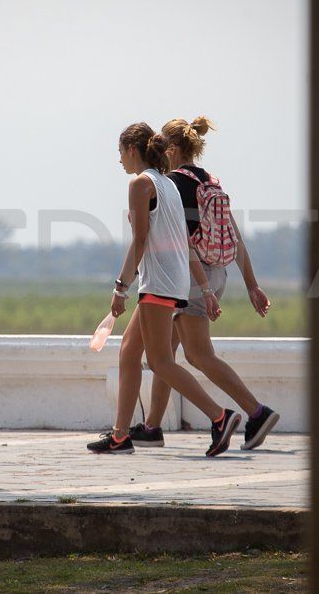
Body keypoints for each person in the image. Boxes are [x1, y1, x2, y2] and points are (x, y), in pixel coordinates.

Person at [87, 123, 242, 456]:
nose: (119, 161)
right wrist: (204, 287)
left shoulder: (141, 184)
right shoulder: (167, 183)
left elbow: (140, 240)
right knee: (129, 353)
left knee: (159, 362)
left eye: (120, 153)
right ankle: (119, 436)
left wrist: (120, 288)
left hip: (157, 283)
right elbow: (183, 240)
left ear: (132, 150)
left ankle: (220, 417)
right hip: (173, 282)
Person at [125, 117, 280, 451]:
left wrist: (200, 286)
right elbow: (234, 236)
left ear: (174, 149)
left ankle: (255, 412)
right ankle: (152, 426)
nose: (157, 151)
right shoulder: (210, 181)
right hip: (216, 272)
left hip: (189, 276)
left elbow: (183, 239)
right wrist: (251, 284)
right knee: (165, 354)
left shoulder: (173, 183)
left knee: (196, 354)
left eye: (162, 145)